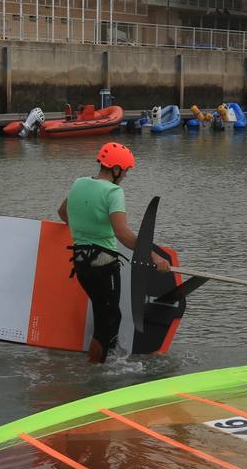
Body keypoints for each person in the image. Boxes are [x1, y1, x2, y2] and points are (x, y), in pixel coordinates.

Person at [58, 142, 170, 364]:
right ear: (116, 169)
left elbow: (63, 213)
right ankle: (96, 371)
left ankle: (107, 360)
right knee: (107, 320)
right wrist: (154, 256)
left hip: (81, 264)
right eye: (126, 171)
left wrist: (86, 228)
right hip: (103, 265)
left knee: (106, 315)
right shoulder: (114, 192)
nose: (126, 176)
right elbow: (123, 234)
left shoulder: (79, 184)